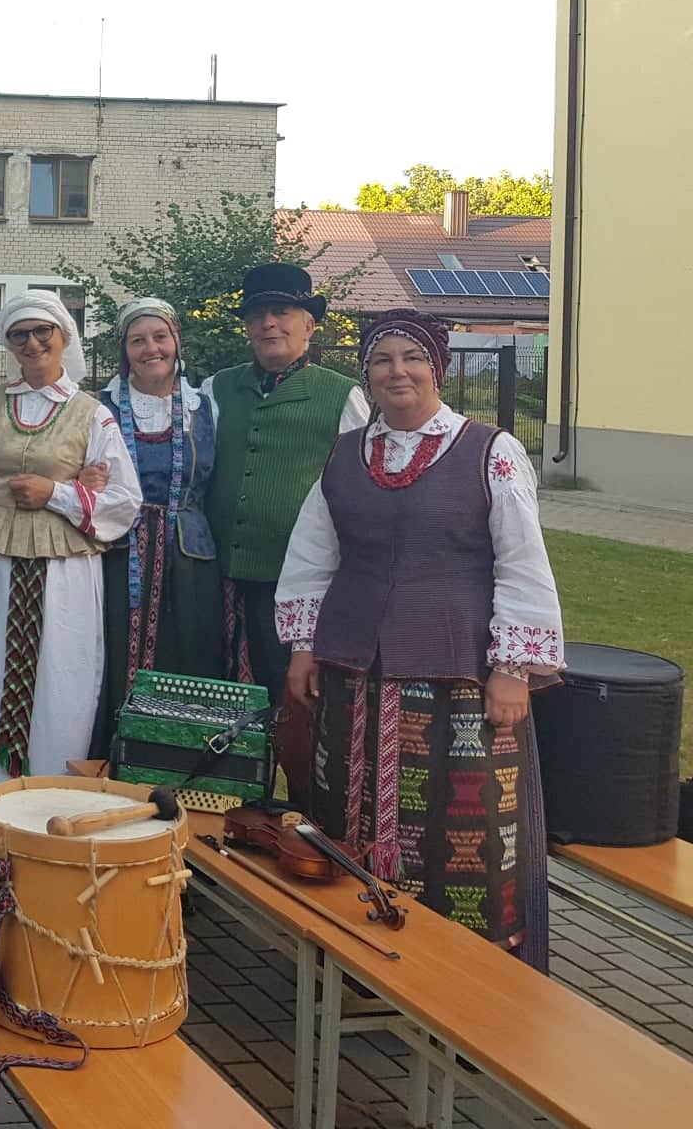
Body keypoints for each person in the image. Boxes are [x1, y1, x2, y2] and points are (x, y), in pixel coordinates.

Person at [277, 309, 562, 968]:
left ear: (439, 368)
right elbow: (313, 554)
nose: (397, 371)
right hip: (352, 668)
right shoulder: (346, 453)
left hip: (457, 670)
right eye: (382, 360)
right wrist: (302, 645)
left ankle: (467, 968)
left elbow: (521, 561)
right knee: (345, 809)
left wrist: (513, 668)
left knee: (461, 824)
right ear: (367, 375)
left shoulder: (490, 452)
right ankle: (352, 960)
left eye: (412, 358)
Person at [0, 291, 139, 821]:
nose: (32, 343)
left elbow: (124, 502)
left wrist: (59, 494)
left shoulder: (92, 415)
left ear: (63, 336)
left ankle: (44, 804)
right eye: (19, 334)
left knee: (58, 675)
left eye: (42, 331)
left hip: (63, 569)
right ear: (8, 343)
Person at [199, 264, 368, 693]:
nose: (268, 323)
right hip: (220, 579)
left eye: (281, 312)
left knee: (290, 697)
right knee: (219, 693)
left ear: (309, 325)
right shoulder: (216, 389)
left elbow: (360, 486)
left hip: (297, 584)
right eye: (257, 315)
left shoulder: (341, 395)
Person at [88, 298, 226, 758]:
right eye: (137, 341)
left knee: (191, 648)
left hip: (191, 557)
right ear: (124, 350)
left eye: (160, 337)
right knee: (116, 650)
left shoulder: (206, 406)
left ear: (176, 341)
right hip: (120, 553)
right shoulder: (99, 408)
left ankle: (184, 762)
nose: (151, 349)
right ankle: (113, 760)